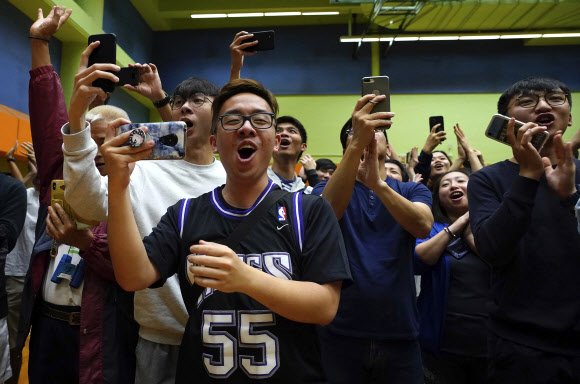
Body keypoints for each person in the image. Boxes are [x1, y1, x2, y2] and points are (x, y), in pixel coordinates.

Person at [103, 78, 351, 383]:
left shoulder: (309, 210)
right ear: (214, 143)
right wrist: (118, 185)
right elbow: (132, 277)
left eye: (260, 120)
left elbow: (325, 306)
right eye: (232, 120)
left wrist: (245, 277)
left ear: (275, 141)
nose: (246, 128)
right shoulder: (185, 213)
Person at [63, 36, 229, 384]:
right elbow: (87, 204)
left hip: (226, 335)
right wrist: (77, 119)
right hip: (158, 337)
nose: (184, 107)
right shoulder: (144, 168)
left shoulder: (232, 177)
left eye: (198, 100)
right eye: (180, 100)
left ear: (218, 115)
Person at [17, 7, 138, 383]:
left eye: (106, 140)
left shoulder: (139, 190)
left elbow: (133, 272)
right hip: (48, 327)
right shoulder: (64, 178)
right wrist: (40, 42)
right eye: (90, 139)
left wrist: (83, 241)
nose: (98, 150)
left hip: (102, 332)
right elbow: (49, 122)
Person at [468, 77, 580, 383]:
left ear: (569, 117)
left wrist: (571, 199)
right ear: (508, 124)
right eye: (527, 102)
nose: (543, 105)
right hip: (522, 346)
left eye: (555, 99)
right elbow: (492, 249)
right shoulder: (486, 180)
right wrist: (528, 175)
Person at [313, 100, 433, 383]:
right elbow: (325, 218)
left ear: (388, 148)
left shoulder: (410, 188)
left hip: (400, 332)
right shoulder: (324, 188)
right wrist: (356, 153)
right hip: (338, 330)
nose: (369, 132)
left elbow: (423, 226)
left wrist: (378, 185)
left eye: (378, 129)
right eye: (359, 131)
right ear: (346, 148)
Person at [414, 169, 490, 384]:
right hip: (443, 342)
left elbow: (502, 258)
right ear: (438, 197)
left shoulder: (493, 226)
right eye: (446, 184)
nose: (454, 186)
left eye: (460, 181)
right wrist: (459, 223)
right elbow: (419, 260)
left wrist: (471, 226)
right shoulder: (431, 228)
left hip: (491, 340)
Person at [4, 142, 39, 384]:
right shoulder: (23, 195)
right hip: (16, 276)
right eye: (34, 163)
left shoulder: (63, 198)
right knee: (13, 340)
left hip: (40, 279)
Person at [0, 172, 27, 384]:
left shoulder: (12, 189)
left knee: (15, 341)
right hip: (12, 274)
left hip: (20, 276)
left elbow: (5, 239)